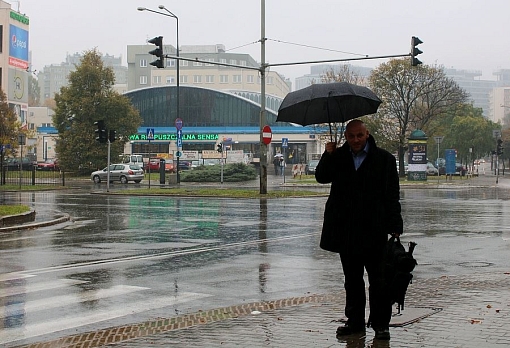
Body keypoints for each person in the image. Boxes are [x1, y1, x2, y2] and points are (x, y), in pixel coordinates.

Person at [315, 119, 403, 341]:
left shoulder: (385, 159)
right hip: (346, 230)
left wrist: (395, 226)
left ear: (367, 134)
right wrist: (328, 154)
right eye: (351, 136)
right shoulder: (339, 157)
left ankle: (381, 325)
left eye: (359, 135)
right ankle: (355, 323)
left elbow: (392, 194)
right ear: (345, 136)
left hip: (375, 230)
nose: (355, 140)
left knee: (379, 281)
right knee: (352, 280)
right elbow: (321, 177)